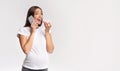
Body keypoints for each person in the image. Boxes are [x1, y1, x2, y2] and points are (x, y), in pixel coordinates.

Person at [17, 6, 54, 71]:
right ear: (30, 17)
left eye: (41, 14)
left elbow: (50, 50)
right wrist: (33, 32)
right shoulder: (23, 30)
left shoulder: (45, 31)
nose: (40, 16)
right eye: (37, 14)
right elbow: (26, 50)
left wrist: (47, 32)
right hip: (28, 68)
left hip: (44, 68)